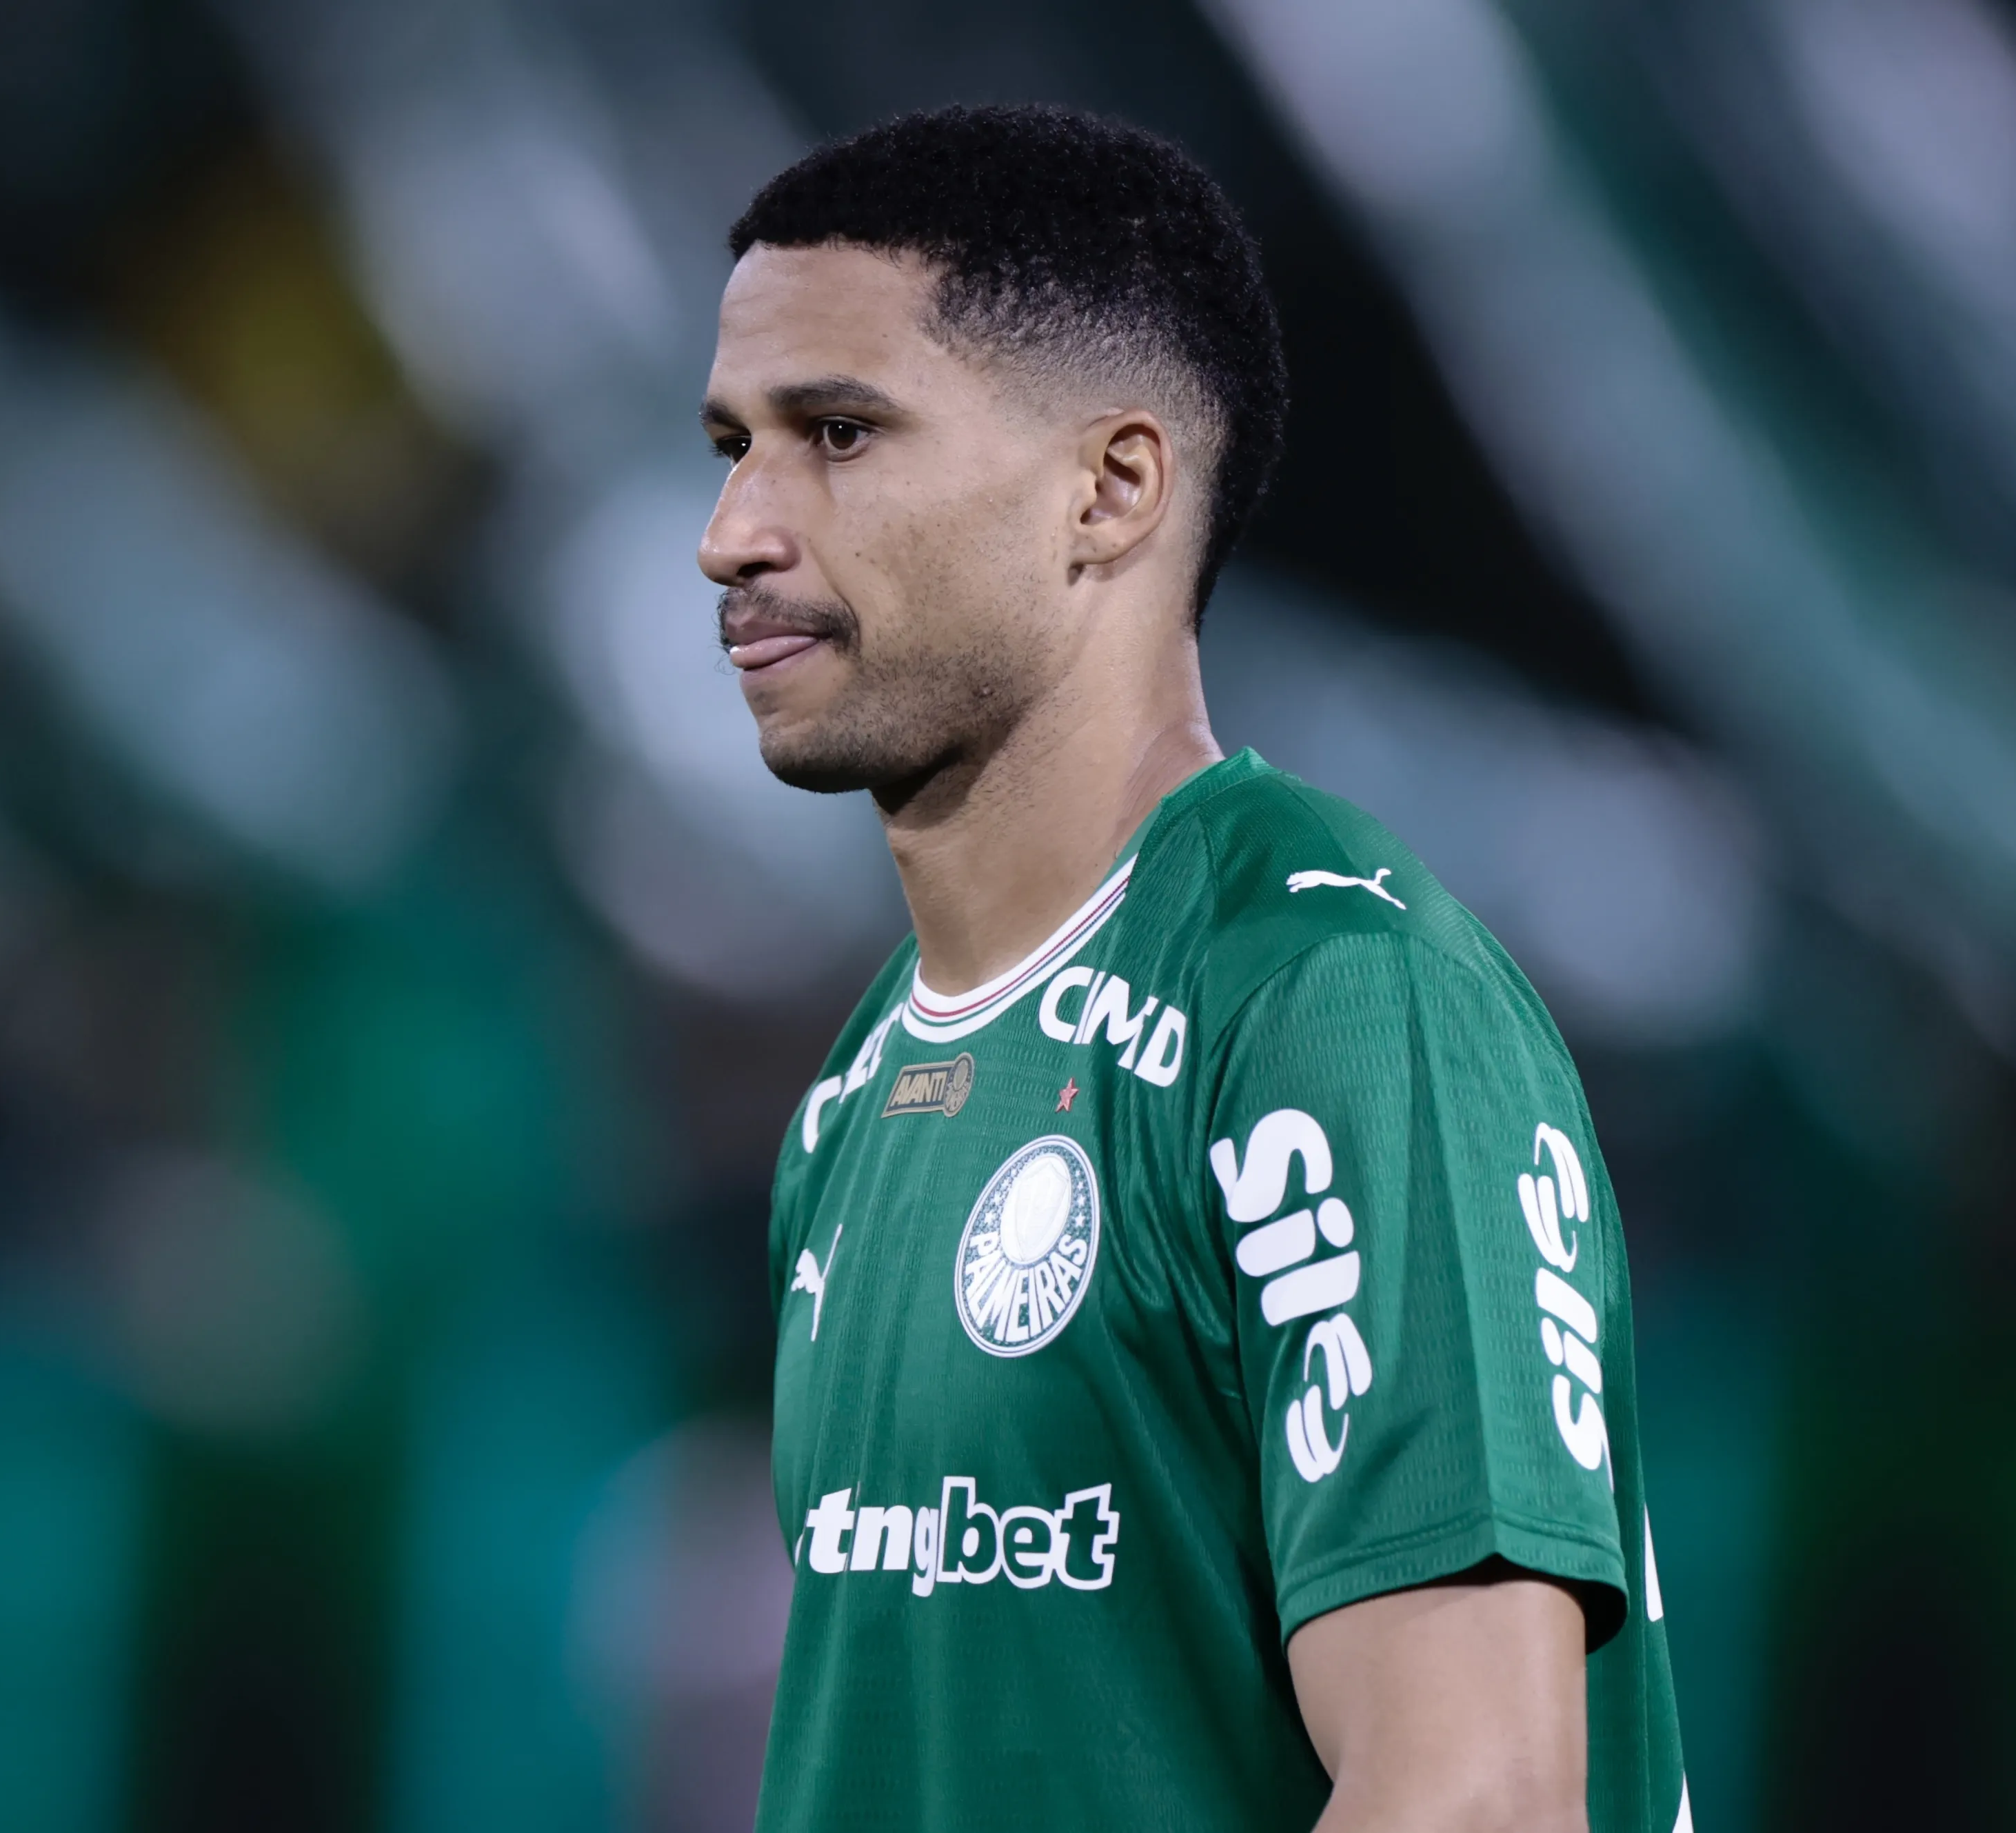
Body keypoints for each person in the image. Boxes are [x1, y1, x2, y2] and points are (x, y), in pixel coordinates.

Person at [700, 105, 1686, 1832]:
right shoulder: (867, 1089)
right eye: (733, 445)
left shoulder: (1328, 1000)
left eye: (838, 434)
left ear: (1112, 487)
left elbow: (1476, 1796)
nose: (734, 533)